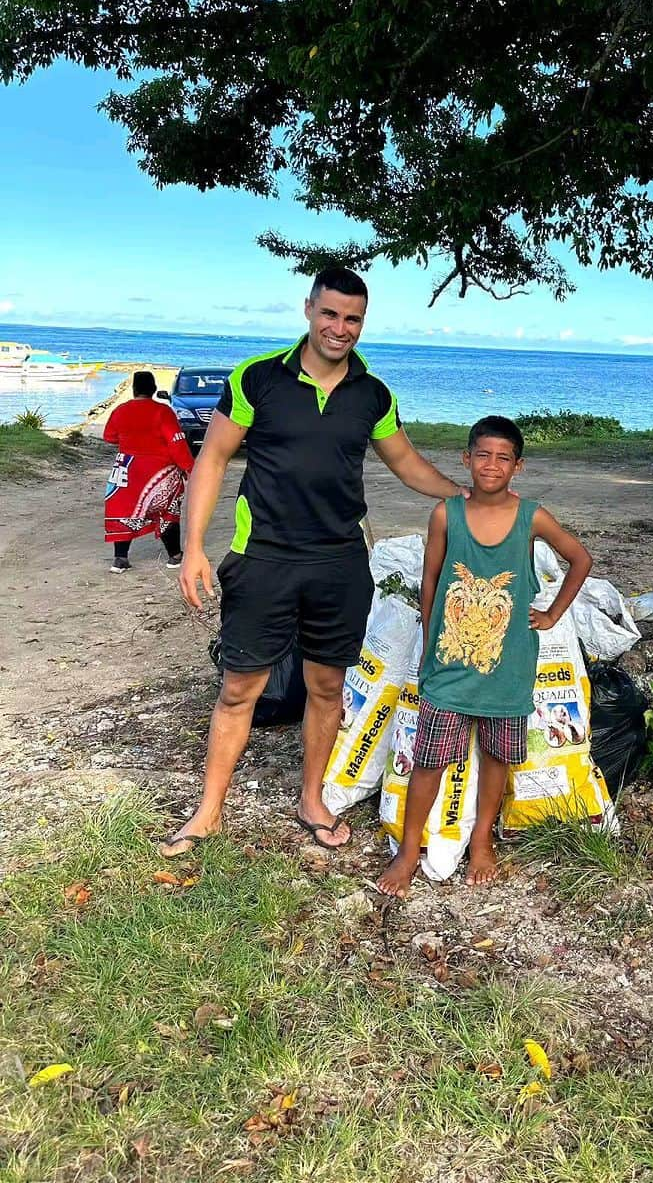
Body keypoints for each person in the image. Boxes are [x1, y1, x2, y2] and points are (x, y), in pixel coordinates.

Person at [161, 266, 468, 857]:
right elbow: (213, 461)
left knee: (327, 687)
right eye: (330, 314)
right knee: (238, 688)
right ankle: (207, 812)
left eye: (352, 318)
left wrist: (465, 495)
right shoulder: (258, 379)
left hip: (340, 563)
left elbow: (405, 463)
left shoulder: (372, 393)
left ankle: (311, 799)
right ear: (308, 310)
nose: (340, 328)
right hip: (264, 559)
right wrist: (193, 547)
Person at [377, 416, 592, 897]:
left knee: (497, 757)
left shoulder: (531, 516)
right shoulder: (445, 514)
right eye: (482, 455)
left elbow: (580, 559)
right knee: (429, 760)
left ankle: (481, 842)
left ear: (518, 466)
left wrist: (553, 614)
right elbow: (430, 579)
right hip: (449, 667)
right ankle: (409, 851)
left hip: (508, 669)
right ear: (466, 459)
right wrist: (431, 636)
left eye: (503, 458)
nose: (491, 465)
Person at [103, 370, 193, 573]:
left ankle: (120, 559)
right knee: (167, 511)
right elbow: (176, 443)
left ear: (134, 389)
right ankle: (174, 557)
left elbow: (109, 436)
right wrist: (189, 468)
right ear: (153, 389)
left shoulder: (120, 410)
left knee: (123, 510)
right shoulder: (163, 412)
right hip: (159, 470)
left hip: (127, 469)